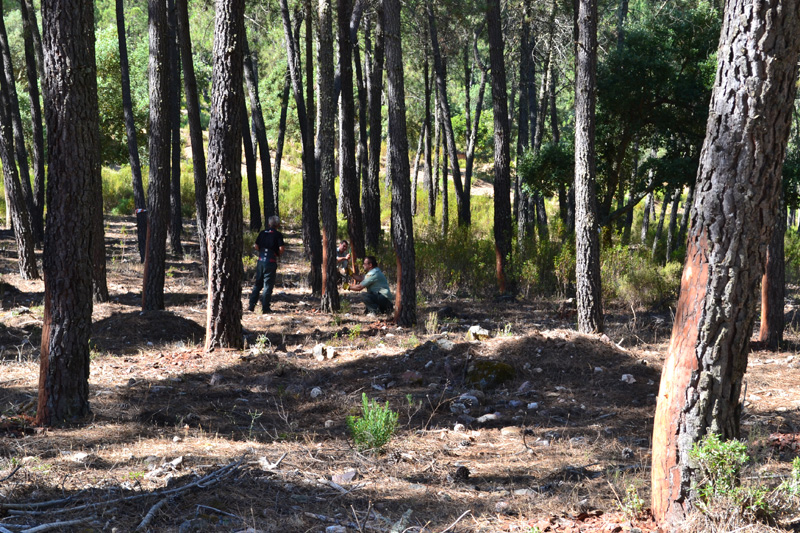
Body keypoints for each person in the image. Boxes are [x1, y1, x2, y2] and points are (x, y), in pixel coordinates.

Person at [248, 215, 285, 314]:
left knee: (258, 284)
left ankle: (251, 305)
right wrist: (277, 254)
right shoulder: (278, 235)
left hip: (260, 261)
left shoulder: (262, 233)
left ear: (269, 224)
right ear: (278, 225)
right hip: (271, 261)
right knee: (268, 285)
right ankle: (265, 308)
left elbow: (256, 246)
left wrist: (261, 250)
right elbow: (281, 249)